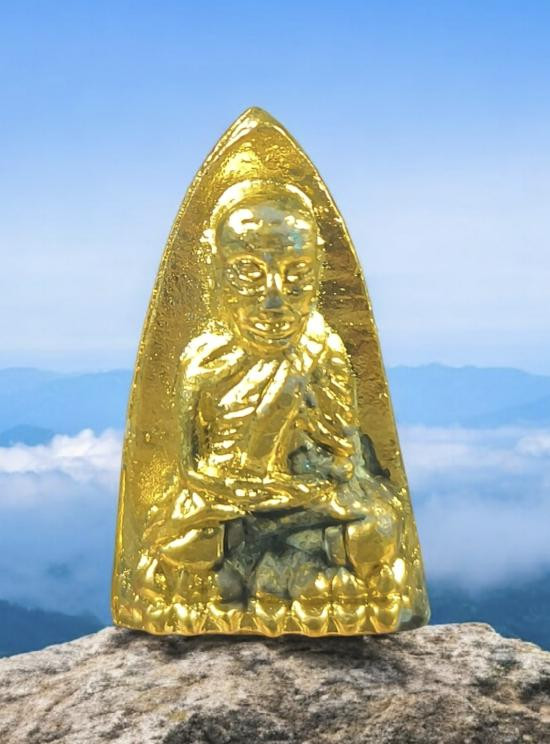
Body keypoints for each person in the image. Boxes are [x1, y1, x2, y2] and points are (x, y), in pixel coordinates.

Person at [137, 180, 403, 631]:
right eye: (249, 274)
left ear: (317, 276)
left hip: (307, 504)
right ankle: (291, 565)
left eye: (296, 276)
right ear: (217, 277)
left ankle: (265, 565)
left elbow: (345, 461)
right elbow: (189, 469)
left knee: (377, 531)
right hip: (227, 507)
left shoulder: (322, 350)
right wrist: (239, 492)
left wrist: (300, 488)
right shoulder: (204, 361)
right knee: (186, 541)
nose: (275, 299)